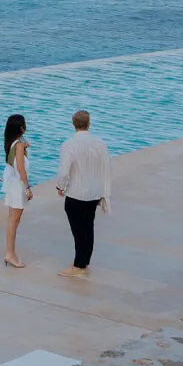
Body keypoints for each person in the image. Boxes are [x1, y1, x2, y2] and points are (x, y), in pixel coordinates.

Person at [53, 109, 111, 278]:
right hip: (94, 192)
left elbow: (64, 171)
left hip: (77, 193)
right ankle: (84, 261)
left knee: (78, 229)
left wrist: (60, 187)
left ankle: (79, 264)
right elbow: (106, 167)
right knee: (88, 226)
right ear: (89, 124)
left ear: (73, 124)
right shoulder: (99, 143)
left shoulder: (69, 144)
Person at [0, 113, 32, 268]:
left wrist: (24, 146)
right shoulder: (18, 145)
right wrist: (28, 188)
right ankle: (10, 254)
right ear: (21, 127)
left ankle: (10, 253)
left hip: (12, 184)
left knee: (14, 220)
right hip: (18, 186)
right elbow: (21, 168)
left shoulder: (13, 143)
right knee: (14, 220)